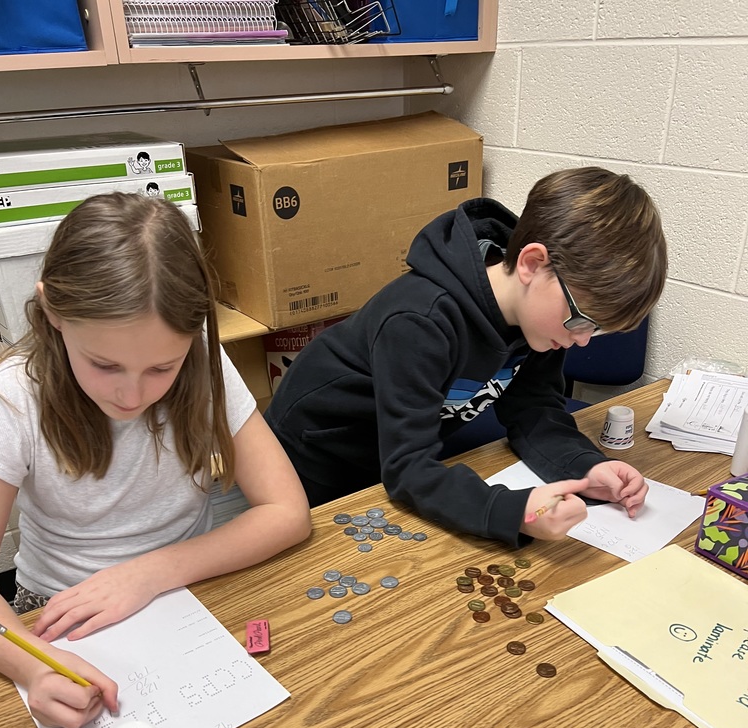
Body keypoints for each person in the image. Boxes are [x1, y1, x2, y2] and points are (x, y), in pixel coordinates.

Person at [0, 192, 311, 728]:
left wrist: (152, 572)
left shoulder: (203, 361)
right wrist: (32, 668)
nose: (132, 396)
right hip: (59, 610)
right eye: (105, 364)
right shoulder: (12, 396)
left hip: (189, 584)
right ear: (53, 311)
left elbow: (288, 511)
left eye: (162, 368)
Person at [265, 166, 667, 546]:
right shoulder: (420, 320)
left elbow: (535, 410)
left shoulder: (539, 325)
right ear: (532, 263)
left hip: (397, 452)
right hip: (315, 461)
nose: (582, 341)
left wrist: (586, 467)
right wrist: (513, 513)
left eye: (596, 330)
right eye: (581, 320)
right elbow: (408, 468)